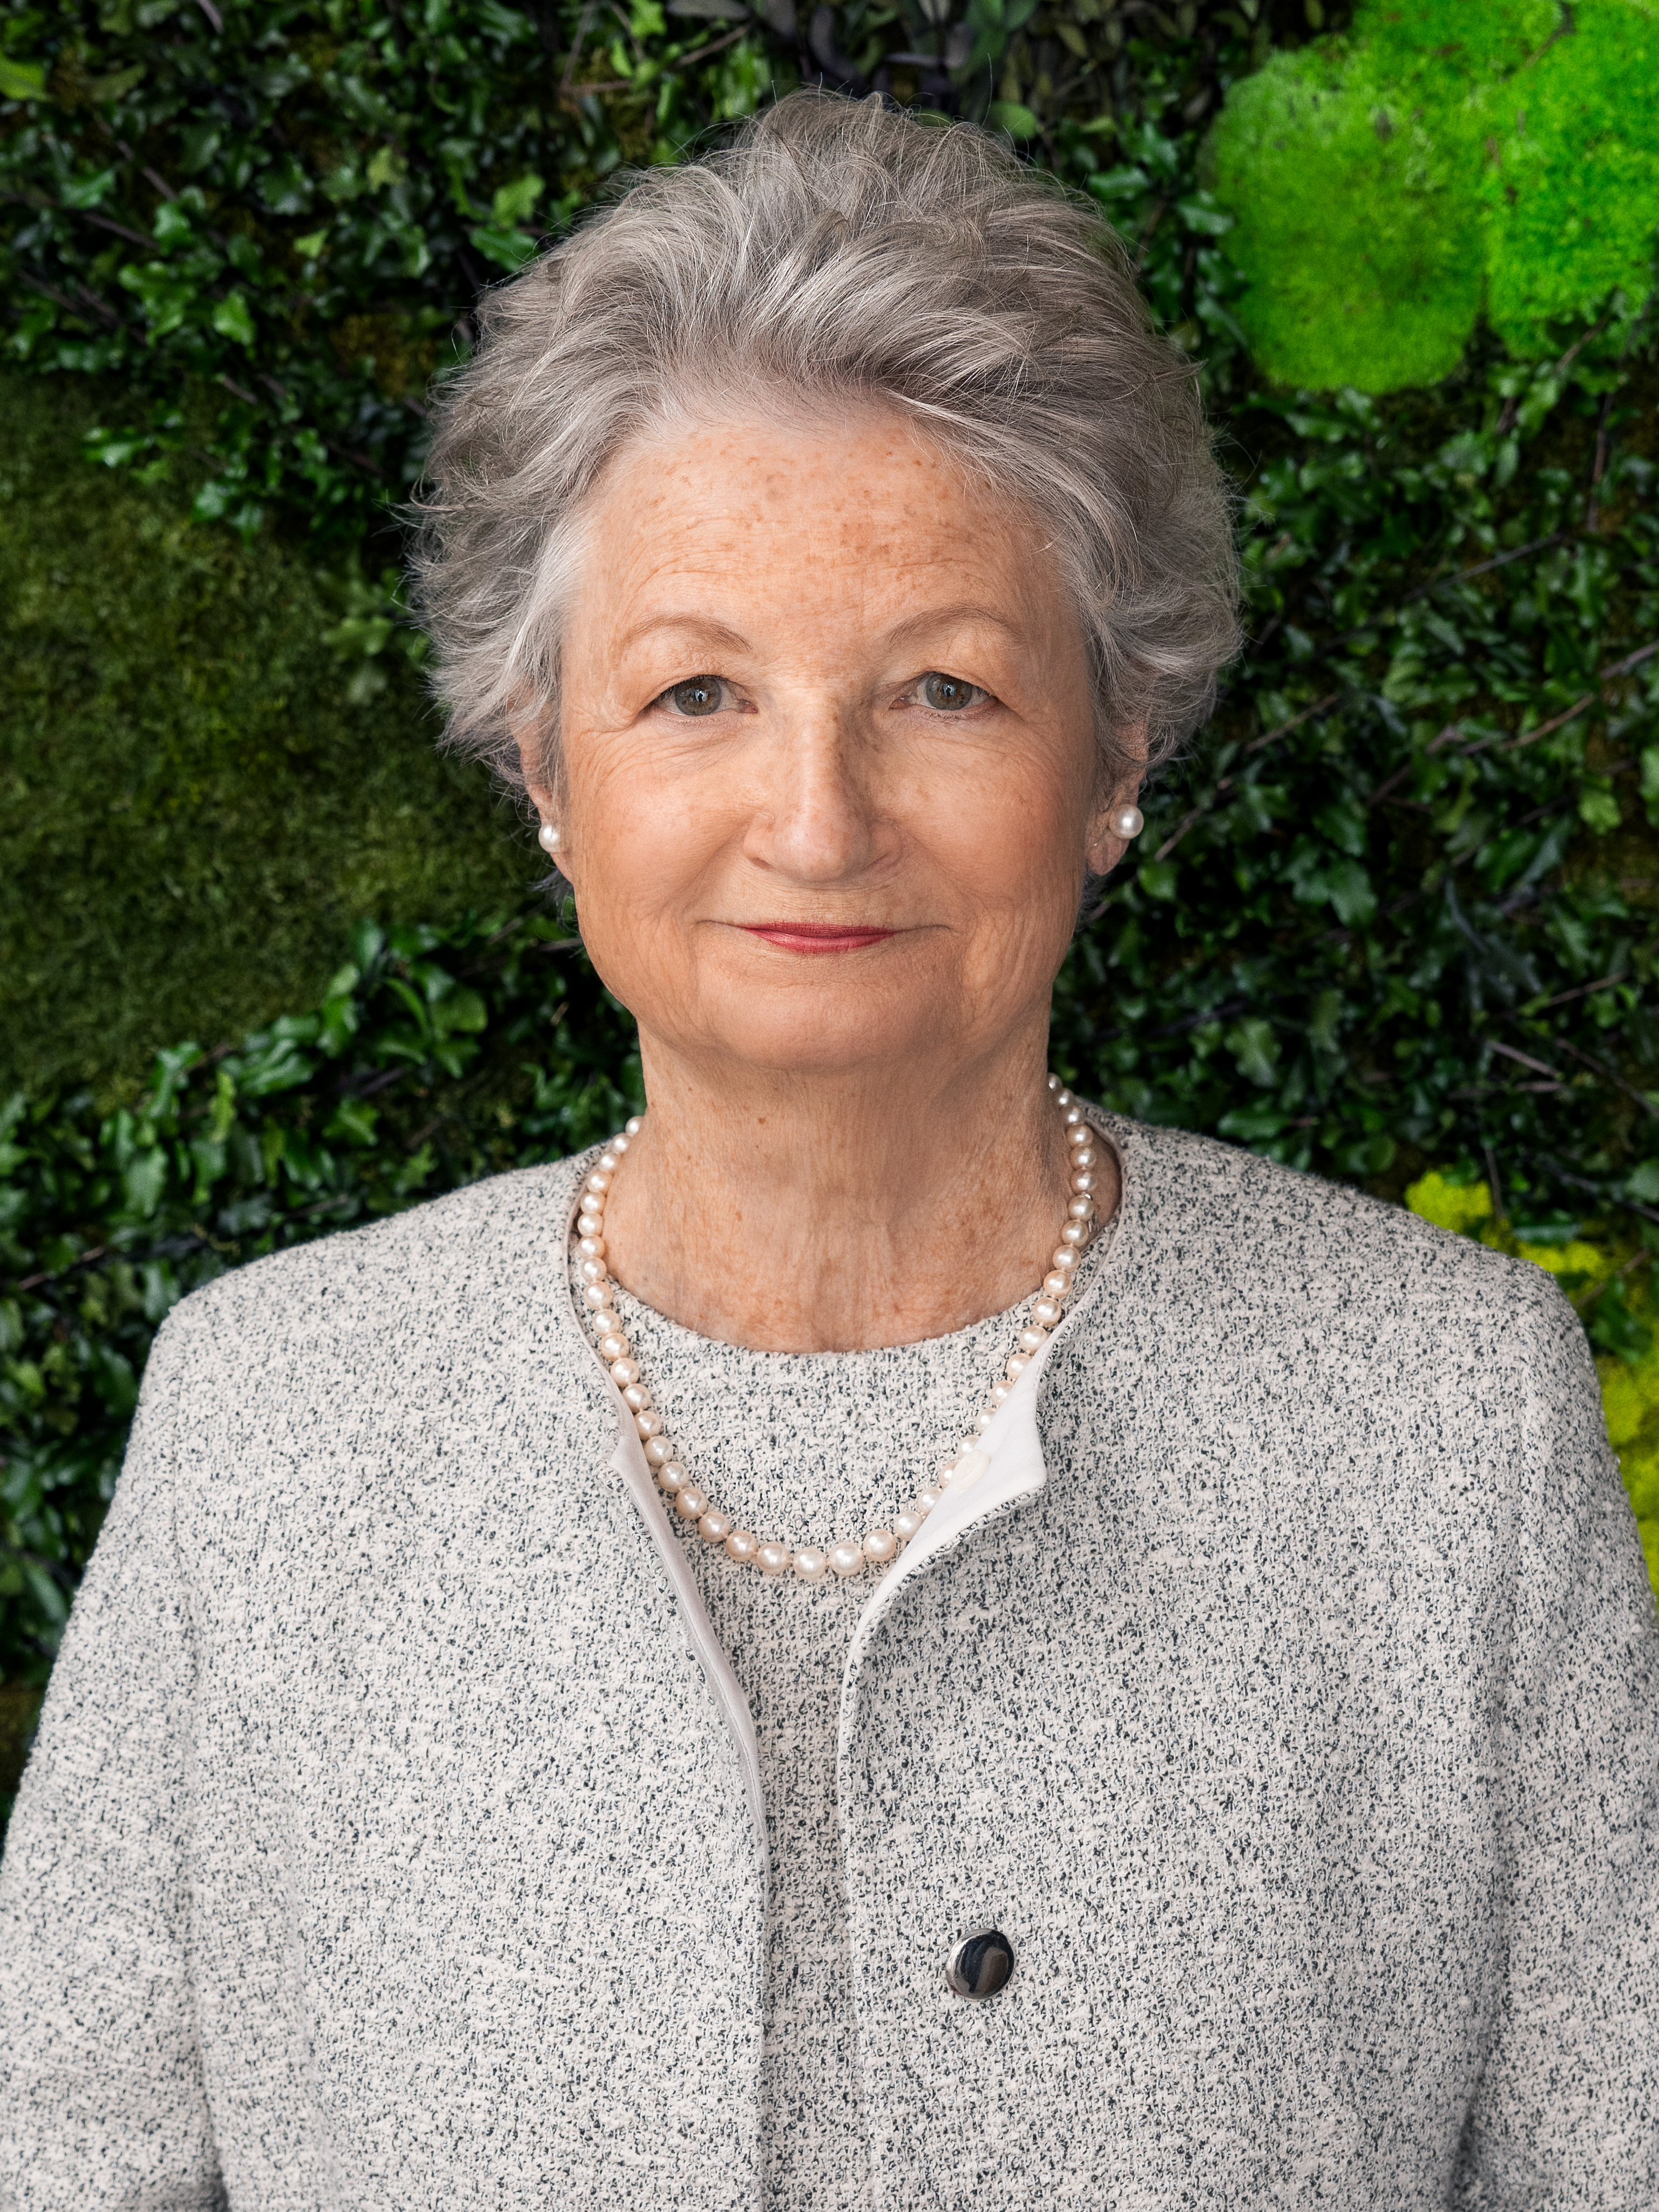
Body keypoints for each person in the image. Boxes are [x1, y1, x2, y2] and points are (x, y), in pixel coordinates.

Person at [3, 89, 1656, 2212]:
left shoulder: (1443, 1418)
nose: (815, 817)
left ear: (1114, 749)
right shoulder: (268, 1417)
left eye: (943, 692)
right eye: (696, 693)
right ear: (544, 763)